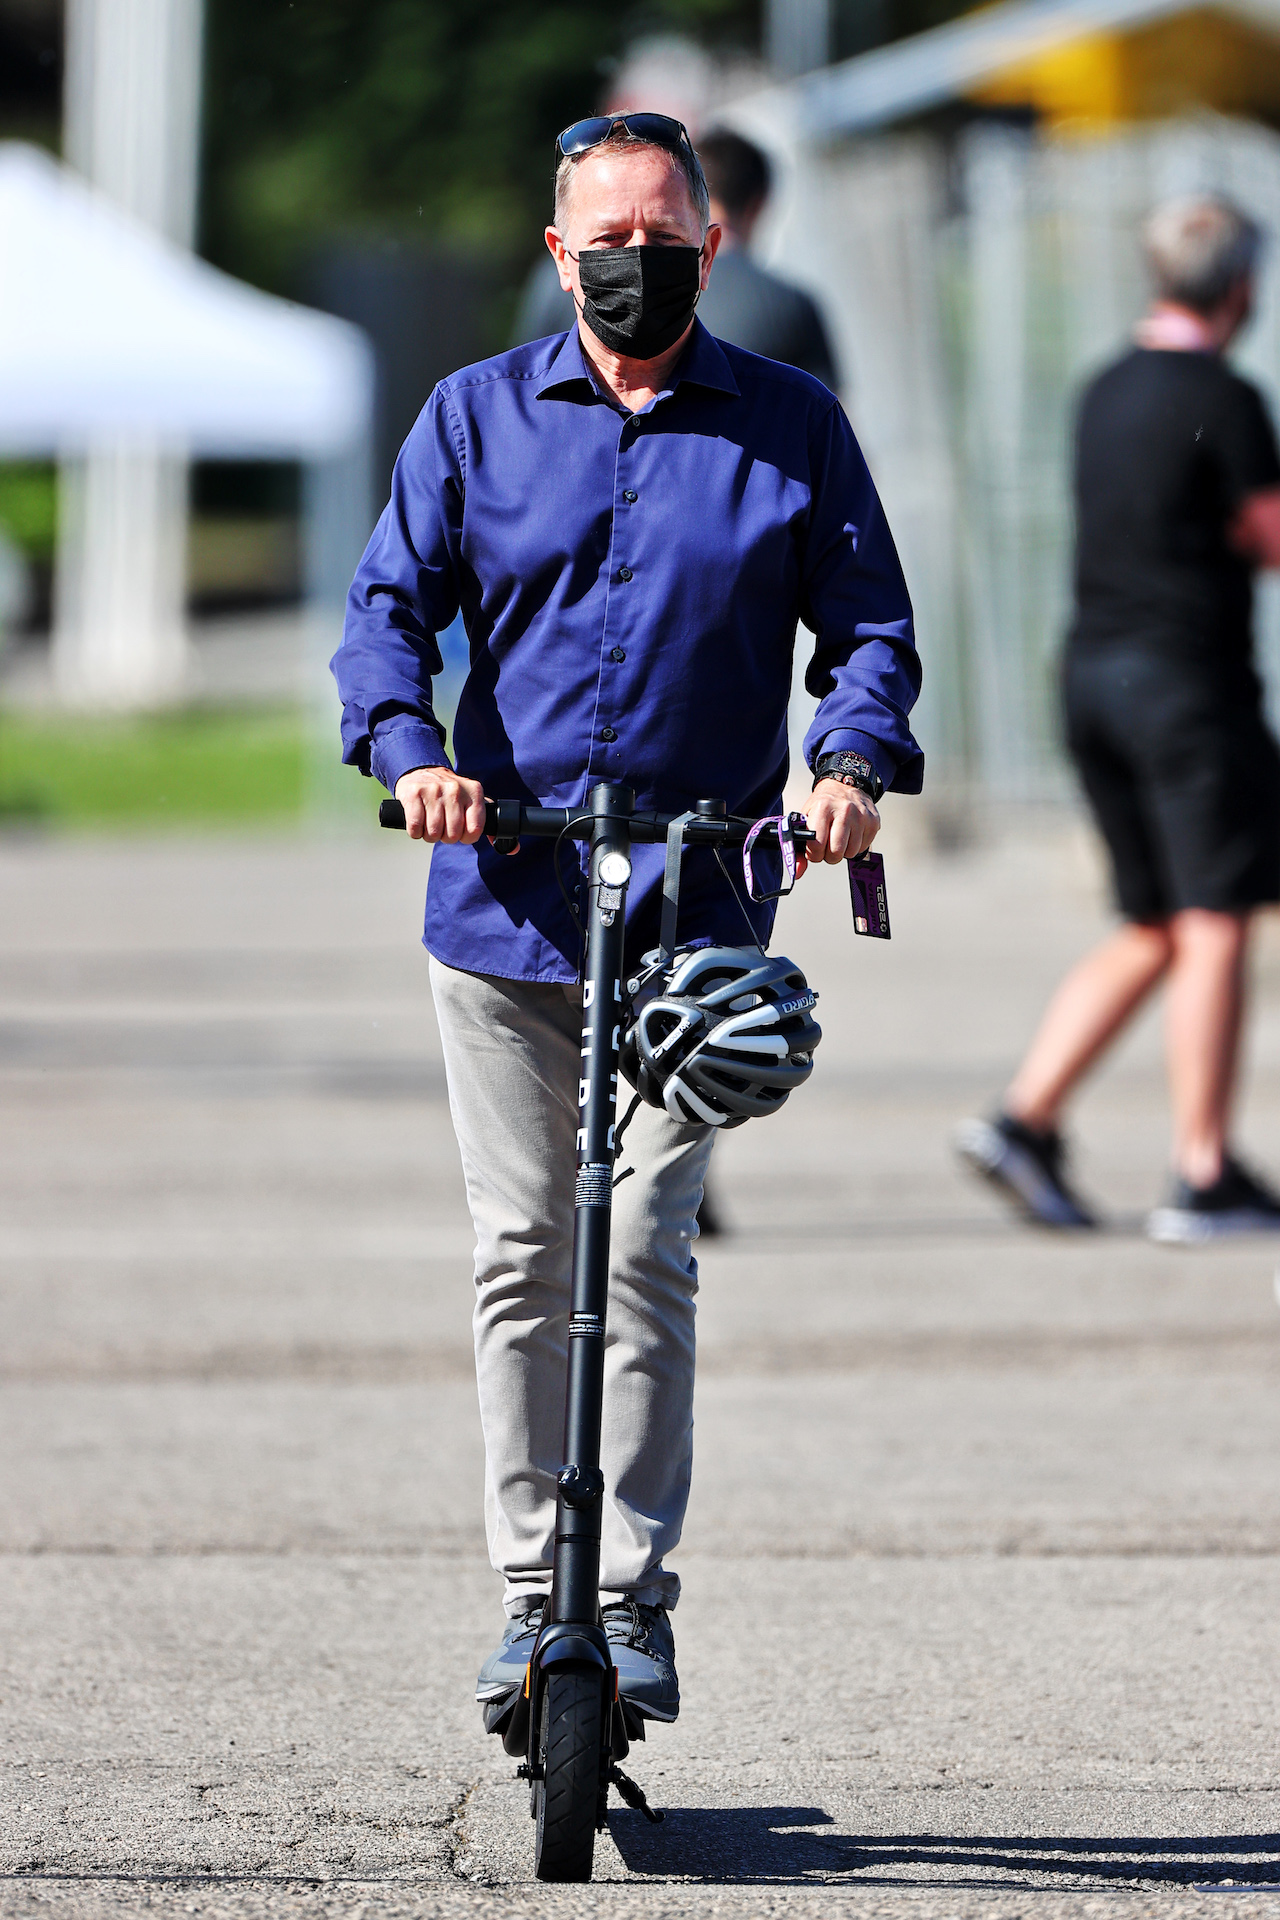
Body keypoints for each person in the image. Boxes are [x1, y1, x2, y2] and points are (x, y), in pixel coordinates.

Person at [333, 111, 921, 1725]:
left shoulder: (792, 426)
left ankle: (632, 1597)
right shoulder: (472, 419)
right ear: (558, 250)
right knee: (527, 1250)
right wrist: (413, 751)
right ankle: (536, 1590)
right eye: (608, 241)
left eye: (665, 238)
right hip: (505, 895)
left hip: (704, 903)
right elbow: (386, 612)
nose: (635, 264)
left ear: (711, 244)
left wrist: (851, 764)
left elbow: (868, 626)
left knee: (648, 1249)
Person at [957, 195, 1280, 1244]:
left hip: (1090, 674)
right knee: (1216, 916)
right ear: (1239, 288)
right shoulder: (1222, 396)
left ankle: (1024, 1118)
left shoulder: (1103, 385)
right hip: (1185, 686)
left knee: (1151, 919)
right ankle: (1201, 1171)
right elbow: (1265, 532)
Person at [511, 127, 837, 389]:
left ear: (707, 253)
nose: (638, 256)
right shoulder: (788, 305)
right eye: (611, 238)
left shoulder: (487, 418)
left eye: (664, 236)